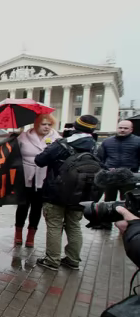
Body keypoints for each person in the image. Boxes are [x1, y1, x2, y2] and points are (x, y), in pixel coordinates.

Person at [35, 115, 101, 271]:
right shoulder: (96, 146)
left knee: (54, 225)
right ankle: (73, 260)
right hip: (82, 193)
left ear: (75, 127)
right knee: (74, 226)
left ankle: (52, 260)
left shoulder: (61, 144)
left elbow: (40, 160)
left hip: (56, 192)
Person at [14, 114, 60, 246]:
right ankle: (18, 233)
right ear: (36, 125)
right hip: (25, 176)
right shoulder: (23, 137)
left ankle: (31, 236)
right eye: (43, 124)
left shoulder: (57, 139)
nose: (47, 127)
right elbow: (13, 154)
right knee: (22, 206)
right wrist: (11, 138)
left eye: (49, 124)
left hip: (44, 177)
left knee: (37, 207)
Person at [99, 120, 140, 208]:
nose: (122, 130)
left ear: (131, 129)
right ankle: (109, 216)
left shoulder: (138, 141)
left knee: (128, 202)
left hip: (129, 176)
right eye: (120, 128)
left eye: (125, 128)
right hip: (111, 175)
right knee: (108, 202)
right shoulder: (107, 141)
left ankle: (126, 216)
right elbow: (101, 158)